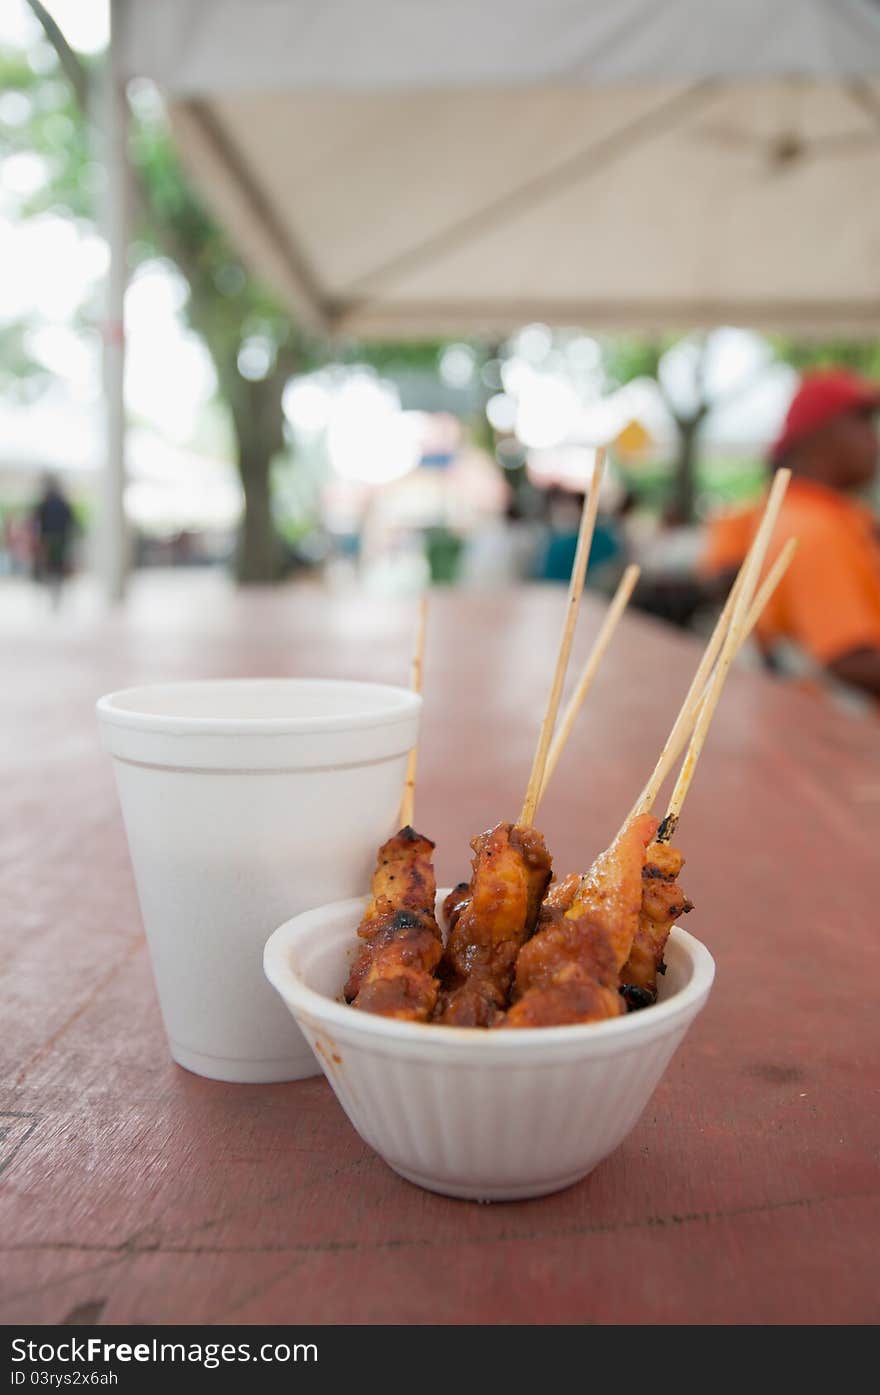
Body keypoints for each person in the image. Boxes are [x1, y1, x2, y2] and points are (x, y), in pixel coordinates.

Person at [702, 369, 880, 700]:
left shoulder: (813, 513)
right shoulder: (813, 528)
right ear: (821, 435)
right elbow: (849, 660)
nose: (874, 440)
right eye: (863, 423)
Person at [31, 474, 76, 606]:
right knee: (58, 565)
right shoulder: (63, 503)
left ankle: (52, 588)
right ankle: (56, 590)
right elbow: (71, 521)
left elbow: (36, 520)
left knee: (50, 565)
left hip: (49, 538)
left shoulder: (44, 503)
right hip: (61, 538)